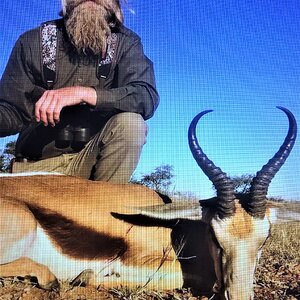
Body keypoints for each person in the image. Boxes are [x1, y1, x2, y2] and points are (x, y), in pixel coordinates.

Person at [0, 0, 159, 183]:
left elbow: (145, 96)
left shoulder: (127, 43)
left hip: (91, 166)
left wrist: (85, 93)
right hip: (35, 170)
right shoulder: (32, 41)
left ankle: (105, 206)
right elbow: (11, 112)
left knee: (131, 124)